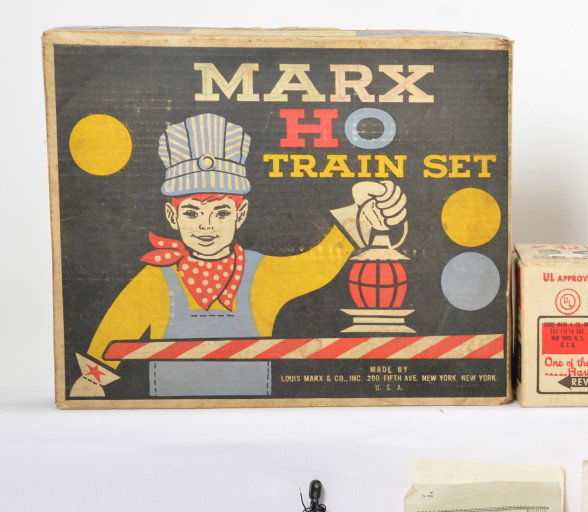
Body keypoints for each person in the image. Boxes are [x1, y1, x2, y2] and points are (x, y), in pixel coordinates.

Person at [70, 113, 406, 398]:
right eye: (191, 213)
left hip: (253, 409)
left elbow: (315, 267)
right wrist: (91, 381)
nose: (206, 226)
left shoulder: (261, 273)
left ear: (240, 214)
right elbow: (116, 328)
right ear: (172, 217)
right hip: (170, 412)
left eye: (220, 213)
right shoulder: (157, 276)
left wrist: (359, 212)